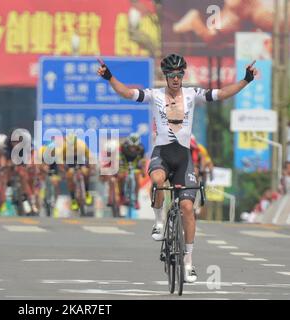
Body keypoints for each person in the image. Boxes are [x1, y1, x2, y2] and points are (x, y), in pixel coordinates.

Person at [97, 53, 258, 283]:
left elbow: (222, 94)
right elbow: (126, 92)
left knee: (187, 207)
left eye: (179, 74)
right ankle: (159, 222)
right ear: (166, 76)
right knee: (158, 181)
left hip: (183, 159)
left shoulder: (193, 94)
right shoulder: (154, 95)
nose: (176, 78)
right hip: (161, 154)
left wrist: (246, 80)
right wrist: (110, 77)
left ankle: (189, 263)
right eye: (172, 74)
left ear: (183, 75)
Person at [119, 133, 146, 210]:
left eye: (135, 147)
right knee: (122, 176)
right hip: (124, 164)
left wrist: (143, 170)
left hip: (135, 166)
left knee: (137, 177)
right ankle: (122, 195)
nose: (133, 149)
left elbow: (142, 161)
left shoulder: (141, 149)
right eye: (131, 147)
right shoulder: (123, 147)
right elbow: (119, 158)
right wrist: (120, 169)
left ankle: (136, 200)